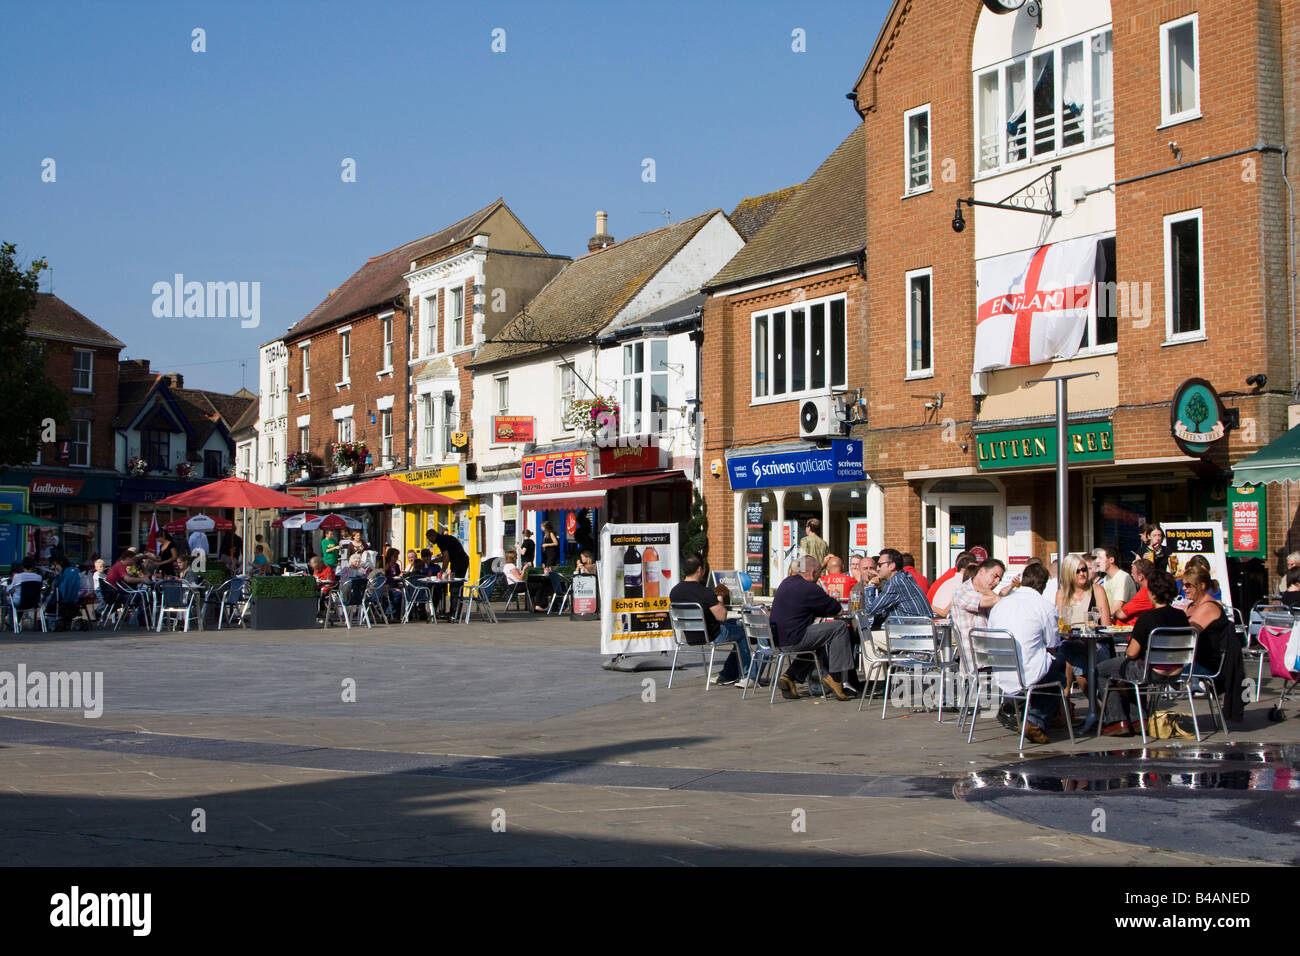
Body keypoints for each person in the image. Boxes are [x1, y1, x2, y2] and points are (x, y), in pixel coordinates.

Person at [1094, 572, 1187, 735]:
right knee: (1130, 668)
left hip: (1151, 671)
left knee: (1102, 669)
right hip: (1176, 672)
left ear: (1151, 593)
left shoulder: (1147, 617)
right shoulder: (1181, 616)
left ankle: (1117, 720)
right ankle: (1138, 720)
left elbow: (1131, 652)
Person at [986, 561, 1068, 744]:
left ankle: (1039, 714)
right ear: (1044, 584)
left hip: (1001, 671)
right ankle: (1035, 721)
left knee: (1048, 666)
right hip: (1028, 673)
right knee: (1059, 667)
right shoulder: (1044, 606)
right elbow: (1053, 644)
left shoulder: (1000, 605)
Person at [769, 555, 855, 701]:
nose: (820, 576)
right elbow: (837, 610)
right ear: (813, 572)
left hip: (777, 639)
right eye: (820, 573)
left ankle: (790, 676)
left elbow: (806, 607)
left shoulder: (786, 582)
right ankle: (836, 678)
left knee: (818, 641)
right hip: (794, 639)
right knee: (839, 627)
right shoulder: (809, 588)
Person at [669, 553, 754, 688]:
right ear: (699, 569)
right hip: (712, 635)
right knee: (743, 632)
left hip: (690, 635)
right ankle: (749, 676)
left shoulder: (674, 592)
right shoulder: (705, 592)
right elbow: (722, 616)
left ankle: (728, 674)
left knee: (736, 625)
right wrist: (719, 599)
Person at [1056, 553, 1111, 626]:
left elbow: (1106, 626)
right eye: (1077, 571)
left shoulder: (1097, 590)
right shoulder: (1061, 594)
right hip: (1069, 636)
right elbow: (1059, 625)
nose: (1081, 573)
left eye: (1084, 569)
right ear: (1068, 573)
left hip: (1093, 636)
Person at [929, 552, 975, 617]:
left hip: (934, 615)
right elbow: (945, 612)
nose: (975, 572)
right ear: (963, 569)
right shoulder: (962, 583)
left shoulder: (949, 579)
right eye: (972, 569)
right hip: (944, 620)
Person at [1112, 558, 1155, 623]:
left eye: (1133, 573)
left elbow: (1121, 614)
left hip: (1129, 630)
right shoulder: (1154, 589)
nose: (1132, 575)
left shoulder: (1145, 592)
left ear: (1140, 577)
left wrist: (1113, 614)